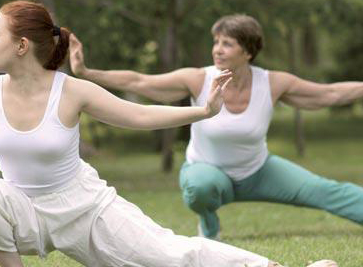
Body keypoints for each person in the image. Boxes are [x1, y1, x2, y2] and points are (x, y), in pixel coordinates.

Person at [0, 1, 339, 267]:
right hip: (25, 210)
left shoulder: (71, 91)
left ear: (21, 45)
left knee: (170, 257)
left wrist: (201, 111)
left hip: (86, 210)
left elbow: (138, 114)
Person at [69, 14, 363, 240]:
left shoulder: (272, 83)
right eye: (216, 42)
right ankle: (209, 221)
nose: (217, 50)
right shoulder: (198, 78)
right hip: (208, 172)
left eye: (227, 43)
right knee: (200, 188)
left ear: (248, 52)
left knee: (325, 190)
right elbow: (139, 82)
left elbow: (330, 94)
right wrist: (86, 72)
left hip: (258, 171)